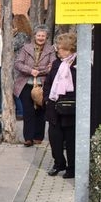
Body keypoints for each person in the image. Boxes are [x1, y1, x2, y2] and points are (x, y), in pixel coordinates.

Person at [13, 25, 54, 146]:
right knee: (28, 111)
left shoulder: (51, 49)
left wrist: (39, 70)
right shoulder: (26, 48)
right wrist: (30, 70)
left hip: (42, 85)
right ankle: (28, 138)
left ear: (46, 37)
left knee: (40, 111)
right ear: (34, 36)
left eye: (43, 36)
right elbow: (18, 63)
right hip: (26, 84)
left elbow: (51, 66)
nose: (40, 38)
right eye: (38, 35)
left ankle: (38, 136)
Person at [44, 32, 77, 179]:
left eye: (62, 49)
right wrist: (46, 99)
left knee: (71, 140)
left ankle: (72, 167)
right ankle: (59, 162)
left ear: (71, 49)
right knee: (54, 139)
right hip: (54, 107)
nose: (58, 51)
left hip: (70, 109)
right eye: (58, 48)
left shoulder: (78, 64)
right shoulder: (57, 63)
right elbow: (49, 82)